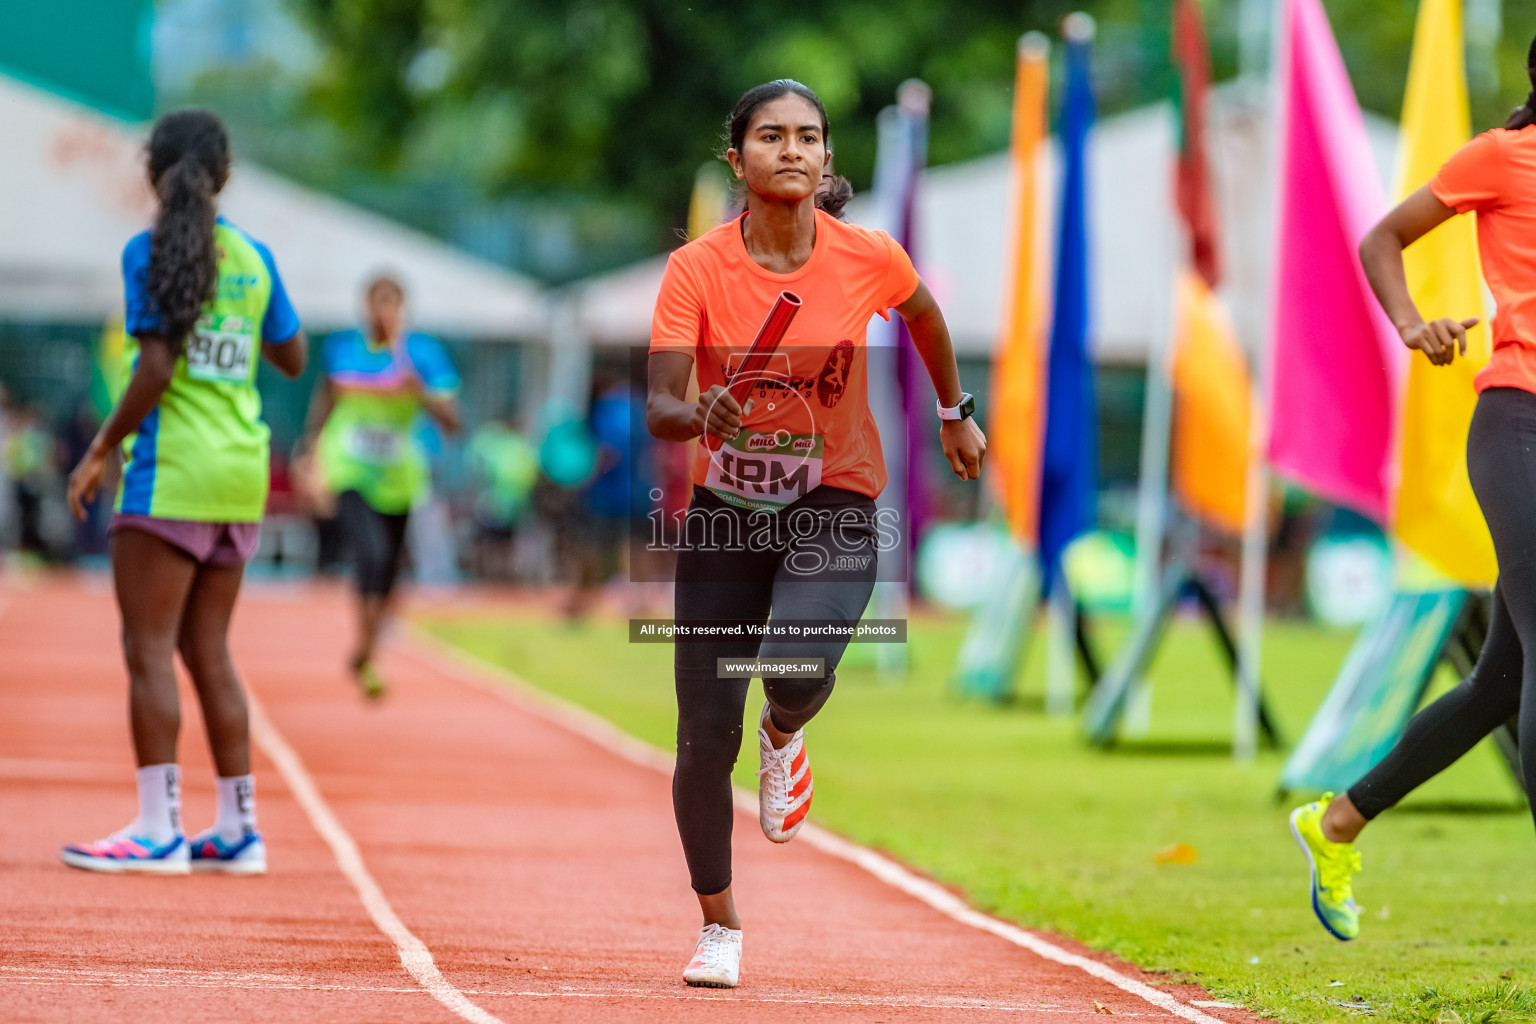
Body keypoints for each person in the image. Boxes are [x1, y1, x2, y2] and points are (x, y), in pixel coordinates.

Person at [646, 79, 985, 987]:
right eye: (770, 136)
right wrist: (697, 412)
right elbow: (659, 403)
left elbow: (922, 315)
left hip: (836, 495)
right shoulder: (699, 269)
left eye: (807, 137)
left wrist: (955, 410)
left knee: (792, 669)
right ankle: (719, 924)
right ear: (738, 159)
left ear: (827, 157)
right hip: (728, 514)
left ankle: (787, 730)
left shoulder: (868, 256)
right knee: (702, 736)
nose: (790, 150)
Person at [1290, 39, 1536, 942]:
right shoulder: (1503, 155)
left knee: (1500, 683)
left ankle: (1339, 820)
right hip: (1518, 420)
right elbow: (1381, 235)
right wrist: (1410, 324)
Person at [60, 108, 306, 874]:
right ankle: (238, 831)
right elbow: (293, 359)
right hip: (241, 478)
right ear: (226, 174)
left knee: (149, 649)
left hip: (171, 475)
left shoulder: (150, 250)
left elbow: (157, 369)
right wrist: (233, 331)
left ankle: (158, 828)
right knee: (210, 652)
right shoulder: (255, 258)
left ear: (152, 172)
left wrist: (100, 449)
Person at [304, 274, 461, 698]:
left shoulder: (425, 355)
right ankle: (366, 643)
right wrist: (311, 453)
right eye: (376, 302)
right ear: (365, 306)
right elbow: (324, 402)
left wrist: (422, 393)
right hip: (349, 468)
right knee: (369, 553)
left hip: (399, 476)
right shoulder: (342, 349)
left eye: (392, 303)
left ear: (403, 308)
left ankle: (368, 649)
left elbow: (453, 423)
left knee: (389, 567)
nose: (383, 312)